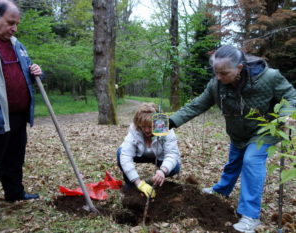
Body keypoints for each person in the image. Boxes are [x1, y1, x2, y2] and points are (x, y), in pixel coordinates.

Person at [168, 45, 296, 232]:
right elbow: (197, 105)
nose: (219, 77)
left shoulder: (269, 77)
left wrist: (286, 115)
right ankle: (222, 189)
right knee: (234, 161)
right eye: (216, 72)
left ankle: (250, 216)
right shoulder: (216, 84)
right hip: (238, 132)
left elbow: (291, 97)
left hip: (265, 130)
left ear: (240, 68)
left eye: (224, 73)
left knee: (251, 160)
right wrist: (171, 121)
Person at [0, 0, 43, 227]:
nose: (14, 28)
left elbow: (29, 69)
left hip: (18, 113)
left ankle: (14, 192)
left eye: (16, 24)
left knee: (14, 158)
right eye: (10, 22)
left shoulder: (15, 43)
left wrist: (37, 71)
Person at [117, 103, 181, 198]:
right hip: (141, 155)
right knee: (120, 152)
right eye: (143, 126)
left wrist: (163, 171)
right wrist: (138, 182)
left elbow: (172, 153)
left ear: (157, 123)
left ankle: (156, 179)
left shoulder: (164, 128)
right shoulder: (135, 130)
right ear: (139, 125)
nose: (146, 130)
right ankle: (130, 183)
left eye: (150, 127)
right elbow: (125, 155)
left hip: (160, 156)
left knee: (174, 168)